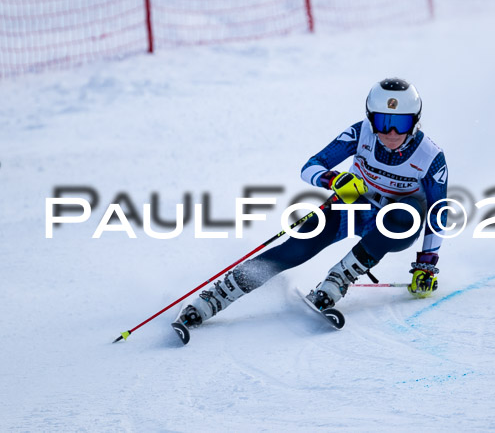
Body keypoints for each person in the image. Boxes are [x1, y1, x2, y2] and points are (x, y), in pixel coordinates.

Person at [177, 78, 448, 328]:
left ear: (414, 122)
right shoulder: (360, 133)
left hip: (396, 223)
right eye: (382, 121)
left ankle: (337, 281)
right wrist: (333, 180)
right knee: (295, 249)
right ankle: (214, 298)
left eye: (400, 124)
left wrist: (426, 264)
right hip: (354, 203)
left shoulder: (430, 156)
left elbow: (437, 214)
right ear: (370, 119)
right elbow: (311, 166)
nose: (390, 132)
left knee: (406, 213)